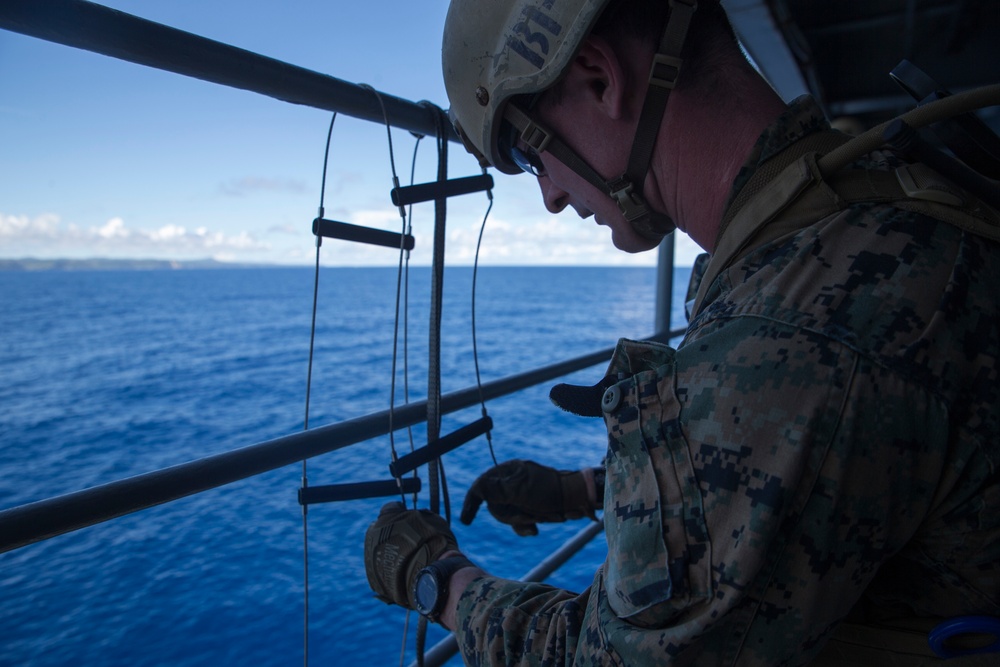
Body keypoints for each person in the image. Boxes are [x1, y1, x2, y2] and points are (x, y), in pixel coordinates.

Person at [364, 0, 1000, 664]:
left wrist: (437, 578)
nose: (550, 195)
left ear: (600, 79)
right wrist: (582, 490)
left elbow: (606, 657)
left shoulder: (794, 327)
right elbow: (797, 486)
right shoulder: (864, 195)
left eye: (530, 155)